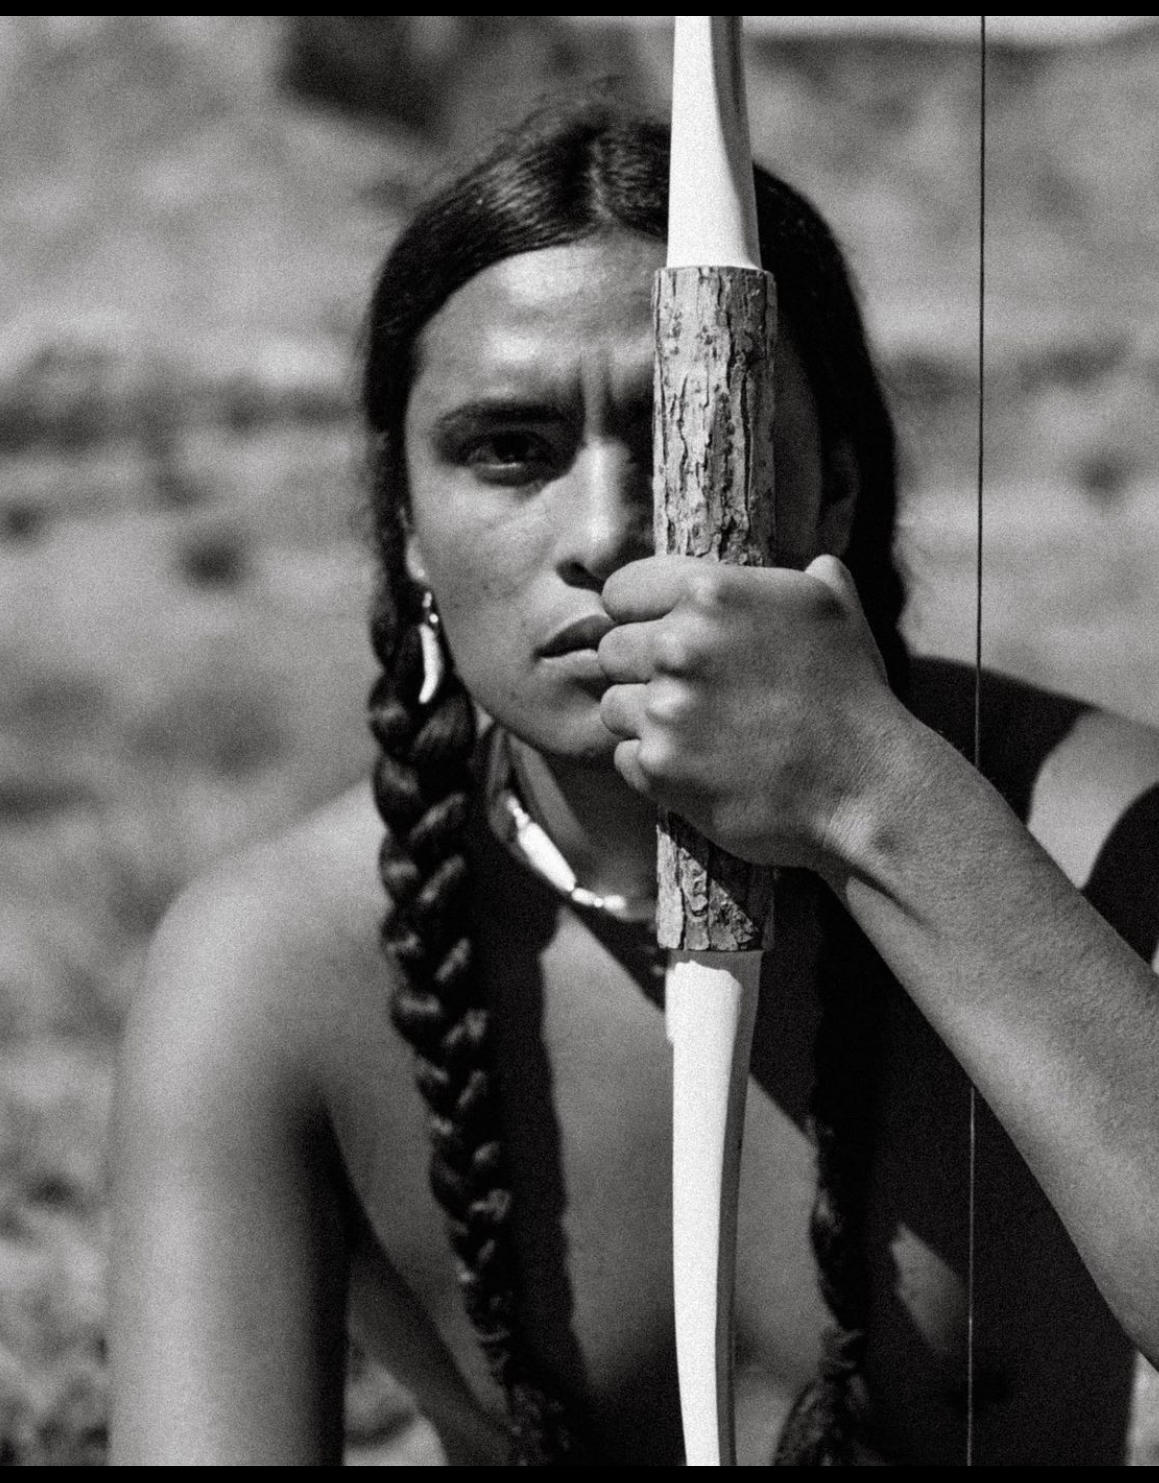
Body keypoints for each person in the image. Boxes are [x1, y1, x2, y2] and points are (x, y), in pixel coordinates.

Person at [109, 105, 1159, 1466]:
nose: (607, 530)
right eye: (508, 448)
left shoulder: (1091, 831)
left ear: (831, 489)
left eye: (694, 436)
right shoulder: (274, 970)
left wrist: (874, 798)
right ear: (402, 526)